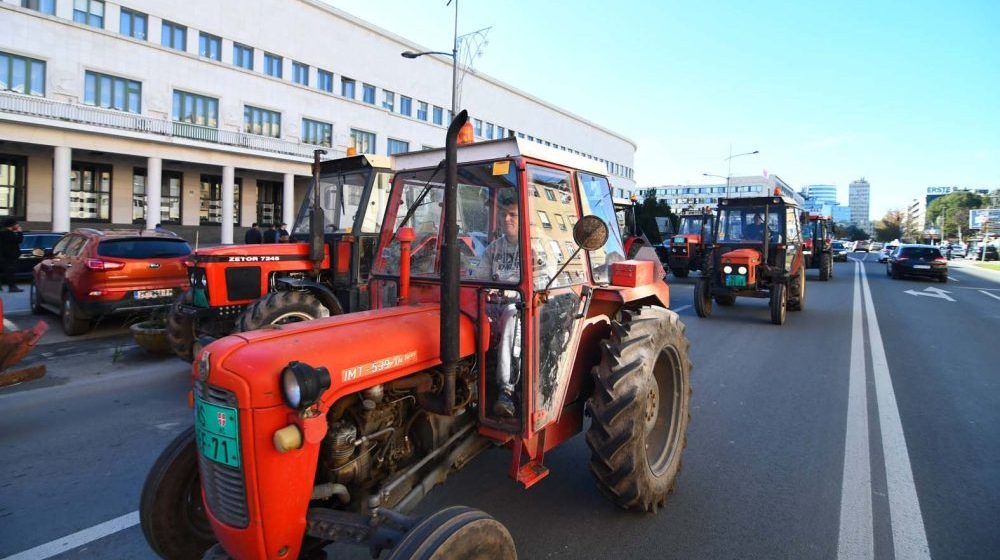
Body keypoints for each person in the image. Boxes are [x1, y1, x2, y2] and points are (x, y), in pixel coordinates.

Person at [475, 195, 521, 417]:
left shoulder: (533, 249)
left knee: (512, 315)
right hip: (493, 306)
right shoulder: (493, 249)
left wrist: (510, 292)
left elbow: (542, 283)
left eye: (513, 215)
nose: (507, 219)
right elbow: (479, 279)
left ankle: (507, 390)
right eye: (504, 214)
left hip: (520, 308)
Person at [0, 218, 24, 292]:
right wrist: (20, 232)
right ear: (12, 225)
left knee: (4, 271)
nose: (18, 225)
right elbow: (18, 241)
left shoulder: (3, 233)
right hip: (9, 256)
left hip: (4, 256)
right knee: (10, 272)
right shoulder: (9, 234)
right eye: (16, 224)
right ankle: (12, 287)